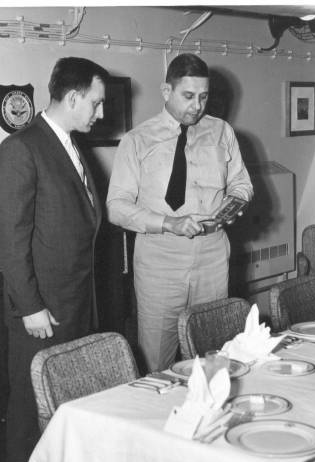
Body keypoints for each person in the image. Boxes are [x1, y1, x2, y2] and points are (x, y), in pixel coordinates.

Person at [0, 56, 109, 462]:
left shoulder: (71, 145)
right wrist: (30, 306)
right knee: (28, 417)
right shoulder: (22, 148)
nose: (100, 114)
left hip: (77, 303)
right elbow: (10, 239)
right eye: (96, 104)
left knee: (68, 414)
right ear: (74, 97)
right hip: (41, 313)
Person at [107, 53, 253, 372]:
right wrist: (168, 223)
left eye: (203, 97)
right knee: (156, 358)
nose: (197, 106)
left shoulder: (222, 132)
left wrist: (233, 204)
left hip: (212, 255)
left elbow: (242, 183)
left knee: (214, 352)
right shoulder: (136, 141)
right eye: (188, 96)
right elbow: (116, 208)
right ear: (166, 91)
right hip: (160, 259)